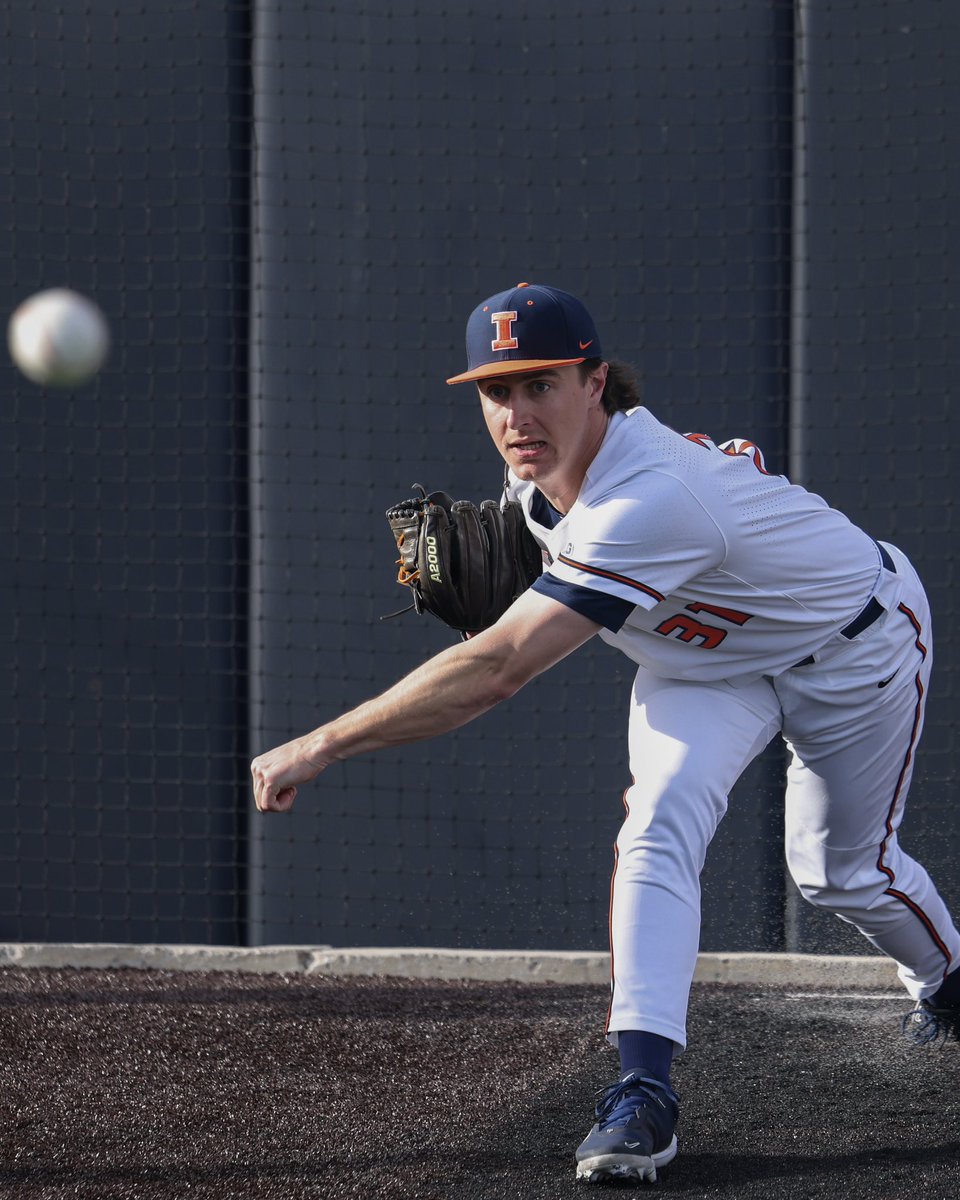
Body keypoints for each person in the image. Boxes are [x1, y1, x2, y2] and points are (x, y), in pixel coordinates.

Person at [251, 282, 960, 1184]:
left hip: (852, 644)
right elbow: (529, 557)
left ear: (596, 381)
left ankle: (948, 983)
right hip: (704, 661)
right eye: (494, 391)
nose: (515, 414)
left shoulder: (650, 497)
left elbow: (499, 672)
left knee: (840, 871)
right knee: (655, 826)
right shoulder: (534, 486)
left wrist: (321, 742)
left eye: (539, 383)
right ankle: (641, 1090)